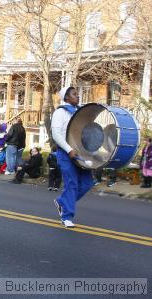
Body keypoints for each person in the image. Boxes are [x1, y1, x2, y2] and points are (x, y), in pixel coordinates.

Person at [51, 86, 93, 228]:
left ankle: (62, 202)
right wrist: (69, 149)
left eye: (78, 93)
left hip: (80, 152)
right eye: (75, 94)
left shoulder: (80, 112)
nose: (78, 96)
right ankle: (66, 216)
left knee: (87, 183)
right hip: (65, 153)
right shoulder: (60, 112)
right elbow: (56, 134)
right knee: (72, 184)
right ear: (67, 98)